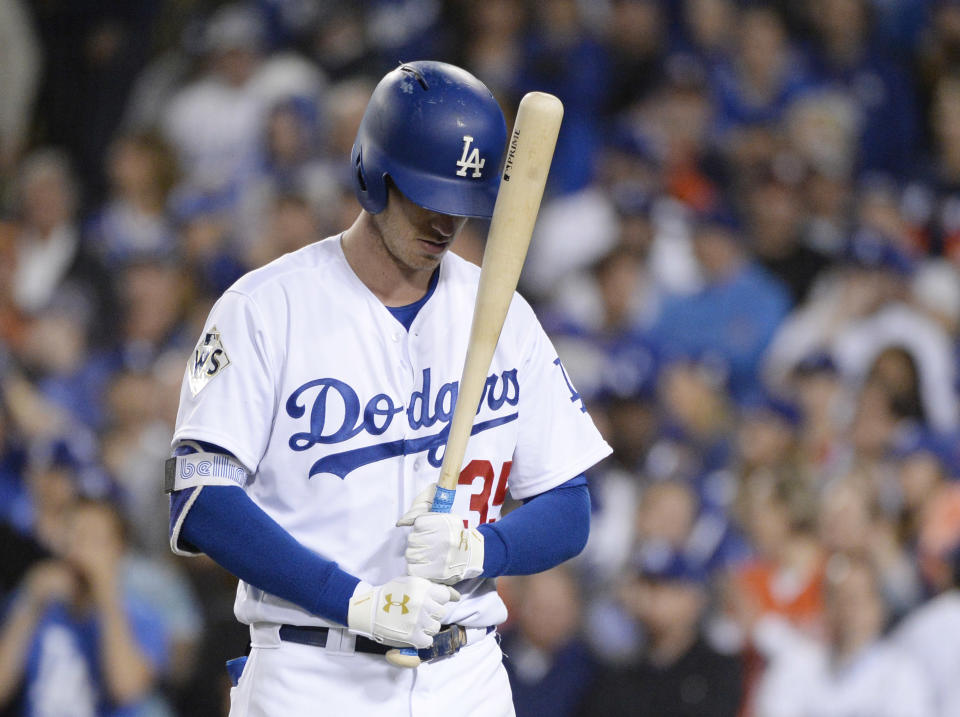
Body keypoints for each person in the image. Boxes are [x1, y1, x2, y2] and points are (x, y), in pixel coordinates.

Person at [164, 60, 611, 716]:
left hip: (467, 673)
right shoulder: (265, 307)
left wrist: (480, 546)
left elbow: (570, 508)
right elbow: (199, 497)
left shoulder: (501, 313)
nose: (444, 223)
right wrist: (355, 600)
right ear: (374, 174)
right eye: (425, 195)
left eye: (460, 204)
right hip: (313, 671)